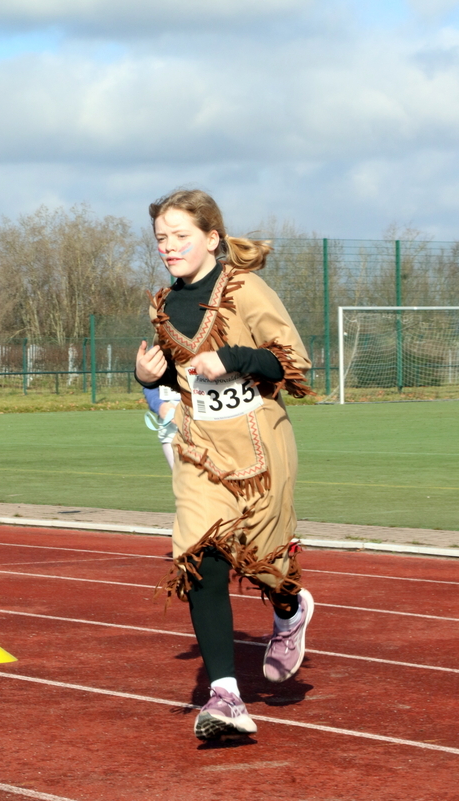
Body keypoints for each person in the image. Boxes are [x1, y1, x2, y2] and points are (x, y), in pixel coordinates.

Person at [135, 189, 315, 741]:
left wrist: (232, 357)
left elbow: (293, 363)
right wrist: (149, 377)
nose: (169, 246)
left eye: (180, 236)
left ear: (212, 238)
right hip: (199, 450)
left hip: (260, 447)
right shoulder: (163, 305)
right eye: (161, 238)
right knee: (200, 558)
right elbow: (183, 379)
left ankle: (289, 610)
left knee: (265, 564)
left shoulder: (246, 289)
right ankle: (226, 696)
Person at [142, 386, 179, 469]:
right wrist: (159, 406)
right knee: (182, 475)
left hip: (205, 419)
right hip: (171, 422)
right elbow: (149, 384)